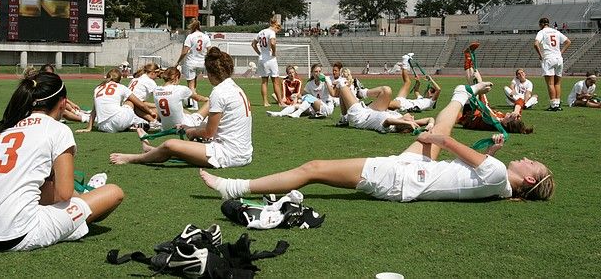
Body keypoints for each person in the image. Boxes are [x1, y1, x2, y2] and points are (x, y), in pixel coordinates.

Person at [201, 81, 554, 202]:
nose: (526, 160)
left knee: (313, 169)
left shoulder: (496, 175)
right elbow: (471, 171)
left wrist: (427, 134)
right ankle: (462, 93)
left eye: (530, 165)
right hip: (417, 173)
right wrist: (488, 150)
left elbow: (447, 142)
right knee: (443, 127)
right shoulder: (500, 187)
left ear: (528, 180)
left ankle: (236, 187)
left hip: (401, 178)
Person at [0, 72, 124, 251]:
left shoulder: (2, 130)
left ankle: (81, 198)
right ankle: (86, 195)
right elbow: (63, 194)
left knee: (46, 185)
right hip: (13, 233)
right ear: (63, 103)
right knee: (113, 193)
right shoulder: (58, 129)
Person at [109, 47, 253, 168]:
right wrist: (192, 129)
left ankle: (134, 158)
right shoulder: (236, 88)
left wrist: (192, 131)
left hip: (228, 154)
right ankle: (151, 151)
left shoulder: (219, 92)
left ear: (209, 73)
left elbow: (209, 133)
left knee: (170, 144)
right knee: (179, 146)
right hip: (244, 153)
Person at [459, 42, 533, 134]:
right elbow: (520, 100)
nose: (509, 114)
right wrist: (517, 111)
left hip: (470, 116)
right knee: (477, 84)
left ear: (505, 124)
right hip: (477, 111)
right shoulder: (509, 122)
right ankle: (468, 57)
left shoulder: (495, 121)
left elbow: (484, 106)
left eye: (510, 117)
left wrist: (482, 87)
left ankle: (467, 56)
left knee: (476, 86)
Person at [333, 71, 434, 133]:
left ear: (406, 122)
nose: (412, 116)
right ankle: (362, 92)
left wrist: (408, 123)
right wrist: (429, 125)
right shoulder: (403, 121)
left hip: (361, 117)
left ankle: (344, 118)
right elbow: (430, 119)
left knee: (342, 85)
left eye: (411, 118)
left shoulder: (390, 126)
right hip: (373, 111)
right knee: (387, 90)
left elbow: (388, 121)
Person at [78, 68, 157, 133]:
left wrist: (89, 128)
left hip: (104, 127)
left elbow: (94, 111)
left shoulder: (97, 88)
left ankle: (131, 125)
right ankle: (151, 122)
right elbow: (141, 104)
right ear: (119, 79)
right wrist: (151, 112)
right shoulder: (121, 87)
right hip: (120, 120)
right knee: (130, 102)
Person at [23, 65, 90, 124]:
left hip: (36, 111)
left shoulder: (27, 86)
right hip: (33, 113)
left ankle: (79, 113)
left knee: (60, 102)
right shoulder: (38, 86)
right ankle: (86, 118)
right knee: (60, 108)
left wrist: (72, 104)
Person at [150, 67, 210, 131]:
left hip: (165, 127)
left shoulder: (156, 90)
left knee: (178, 109)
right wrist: (206, 99)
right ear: (176, 78)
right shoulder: (180, 89)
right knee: (211, 101)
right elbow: (198, 98)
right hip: (183, 125)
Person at [265, 63, 335, 118]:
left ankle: (297, 114)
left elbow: (332, 94)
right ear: (312, 73)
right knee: (295, 105)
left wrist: (326, 81)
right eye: (316, 72)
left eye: (320, 71)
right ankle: (279, 114)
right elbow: (302, 95)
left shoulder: (326, 80)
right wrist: (297, 96)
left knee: (308, 97)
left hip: (326, 108)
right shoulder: (310, 83)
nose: (318, 73)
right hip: (315, 109)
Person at [534, 17, 571, 111]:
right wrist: (561, 52)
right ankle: (558, 104)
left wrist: (541, 55)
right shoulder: (556, 31)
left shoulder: (542, 32)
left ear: (541, 24)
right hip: (558, 58)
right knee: (557, 83)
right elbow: (568, 42)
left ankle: (553, 104)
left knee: (550, 83)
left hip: (548, 58)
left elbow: (536, 44)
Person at [175, 19, 211, 111]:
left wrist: (178, 61)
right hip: (202, 63)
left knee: (190, 85)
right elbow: (209, 50)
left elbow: (185, 52)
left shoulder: (190, 37)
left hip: (191, 63)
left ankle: (195, 105)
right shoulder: (205, 37)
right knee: (194, 84)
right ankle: (191, 101)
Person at [252, 18, 283, 107]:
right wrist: (273, 52)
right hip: (270, 59)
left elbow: (253, 44)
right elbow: (272, 43)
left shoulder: (261, 32)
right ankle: (281, 102)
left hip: (262, 58)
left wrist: (259, 53)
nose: (277, 32)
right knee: (275, 81)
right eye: (278, 30)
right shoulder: (271, 32)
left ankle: (265, 102)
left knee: (264, 81)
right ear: (276, 26)